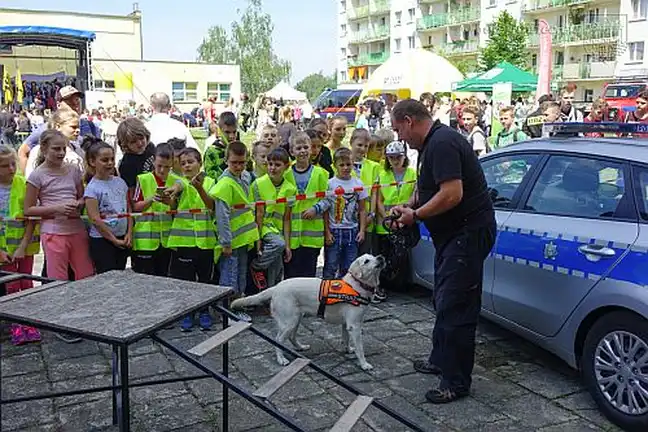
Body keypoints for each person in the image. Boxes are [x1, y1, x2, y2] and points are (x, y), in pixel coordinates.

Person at [389, 99, 495, 404]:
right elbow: (428, 188)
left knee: (456, 307)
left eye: (399, 130)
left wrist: (417, 216)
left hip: (467, 234)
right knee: (444, 298)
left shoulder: (442, 144)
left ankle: (456, 382)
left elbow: (452, 193)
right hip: (453, 237)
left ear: (409, 121)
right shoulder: (431, 145)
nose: (399, 138)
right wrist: (409, 206)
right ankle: (440, 360)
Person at [24, 130, 95, 344]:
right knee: (58, 278)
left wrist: (78, 205)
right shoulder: (37, 176)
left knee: (85, 274)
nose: (61, 152)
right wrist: (56, 208)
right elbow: (28, 210)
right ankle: (62, 323)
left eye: (63, 148)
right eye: (56, 148)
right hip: (53, 232)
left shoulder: (73, 171)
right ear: (43, 149)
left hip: (76, 229)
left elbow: (82, 196)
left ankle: (85, 318)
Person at [169, 148, 218, 331]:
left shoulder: (211, 182)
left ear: (200, 163)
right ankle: (187, 311)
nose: (187, 165)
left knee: (205, 279)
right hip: (184, 242)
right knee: (186, 280)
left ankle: (204, 310)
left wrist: (199, 187)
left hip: (205, 241)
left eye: (191, 161)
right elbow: (176, 191)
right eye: (183, 163)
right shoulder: (179, 181)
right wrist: (171, 194)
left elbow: (211, 206)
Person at [213, 141, 259, 322]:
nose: (238, 167)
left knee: (240, 275)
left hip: (243, 238)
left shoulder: (246, 177)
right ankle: (226, 312)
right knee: (229, 277)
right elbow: (222, 216)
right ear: (226, 161)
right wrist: (226, 242)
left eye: (242, 162)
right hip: (231, 240)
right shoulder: (224, 184)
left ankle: (237, 308)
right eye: (234, 163)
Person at [0, 144, 41, 345]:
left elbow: (32, 217)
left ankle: (30, 324)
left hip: (24, 246)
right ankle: (16, 325)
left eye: (12, 164)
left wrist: (23, 245)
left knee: (26, 283)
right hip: (3, 250)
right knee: (11, 285)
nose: (10, 169)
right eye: (4, 166)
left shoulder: (23, 184)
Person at [18, 86, 101, 172]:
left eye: (77, 100)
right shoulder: (48, 128)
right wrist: (28, 178)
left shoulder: (89, 124)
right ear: (58, 105)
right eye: (69, 102)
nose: (75, 105)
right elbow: (23, 151)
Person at [374, 141, 416, 303]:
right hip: (385, 223)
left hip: (404, 220)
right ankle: (382, 285)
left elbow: (414, 193)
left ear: (404, 157)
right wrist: (386, 216)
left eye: (397, 157)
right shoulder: (382, 174)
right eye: (391, 158)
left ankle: (400, 284)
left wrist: (405, 211)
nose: (394, 160)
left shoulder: (412, 174)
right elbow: (378, 200)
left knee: (401, 254)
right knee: (385, 255)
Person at [131, 143, 183, 276]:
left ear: (172, 163)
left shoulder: (177, 181)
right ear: (153, 160)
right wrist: (150, 199)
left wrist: (170, 203)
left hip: (167, 241)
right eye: (159, 166)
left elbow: (179, 209)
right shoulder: (143, 179)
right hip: (145, 241)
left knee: (165, 278)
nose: (162, 170)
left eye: (166, 167)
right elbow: (135, 207)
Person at [83, 137, 131, 274]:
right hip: (103, 241)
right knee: (107, 276)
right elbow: (95, 219)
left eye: (112, 159)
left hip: (122, 237)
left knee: (120, 274)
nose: (110, 163)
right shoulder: (92, 188)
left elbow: (128, 210)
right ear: (92, 162)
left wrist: (129, 233)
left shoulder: (120, 182)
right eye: (104, 160)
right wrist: (113, 239)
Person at [249, 147, 296, 289]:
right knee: (278, 244)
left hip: (278, 230)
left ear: (286, 166)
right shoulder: (258, 184)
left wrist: (288, 245)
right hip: (263, 227)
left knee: (277, 270)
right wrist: (258, 239)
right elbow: (259, 214)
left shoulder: (290, 189)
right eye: (270, 164)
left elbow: (287, 219)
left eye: (277, 165)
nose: (272, 168)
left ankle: (270, 298)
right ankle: (256, 266)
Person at [284, 132, 329, 278]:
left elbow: (329, 199)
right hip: (292, 236)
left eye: (305, 147)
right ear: (292, 152)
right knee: (291, 274)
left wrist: (316, 209)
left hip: (312, 236)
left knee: (308, 274)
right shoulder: (285, 174)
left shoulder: (321, 174)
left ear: (311, 150)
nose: (302, 151)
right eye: (298, 148)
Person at [317, 148, 367, 279]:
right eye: (341, 165)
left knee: (349, 266)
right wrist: (327, 232)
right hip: (334, 230)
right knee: (331, 265)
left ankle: (345, 293)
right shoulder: (330, 184)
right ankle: (327, 293)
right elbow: (326, 209)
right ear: (335, 166)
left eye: (348, 164)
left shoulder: (358, 183)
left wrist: (362, 230)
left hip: (352, 230)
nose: (345, 168)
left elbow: (362, 209)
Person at [25, 108, 85, 179]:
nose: (78, 130)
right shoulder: (39, 150)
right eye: (73, 127)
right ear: (58, 126)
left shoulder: (78, 150)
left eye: (78, 127)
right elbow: (30, 177)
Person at [348, 129, 380, 256]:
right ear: (351, 142)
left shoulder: (374, 167)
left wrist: (371, 214)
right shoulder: (341, 164)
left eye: (366, 146)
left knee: (364, 255)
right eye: (359, 145)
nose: (362, 149)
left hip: (367, 219)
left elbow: (374, 193)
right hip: (346, 220)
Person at [117, 117, 156, 203]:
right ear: (125, 144)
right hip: (143, 201)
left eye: (141, 138)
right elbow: (131, 192)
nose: (139, 143)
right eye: (133, 141)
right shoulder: (126, 164)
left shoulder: (151, 147)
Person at [204, 111, 238, 180]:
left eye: (234, 132)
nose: (231, 136)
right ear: (219, 131)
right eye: (227, 132)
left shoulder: (240, 149)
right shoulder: (212, 151)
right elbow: (210, 177)